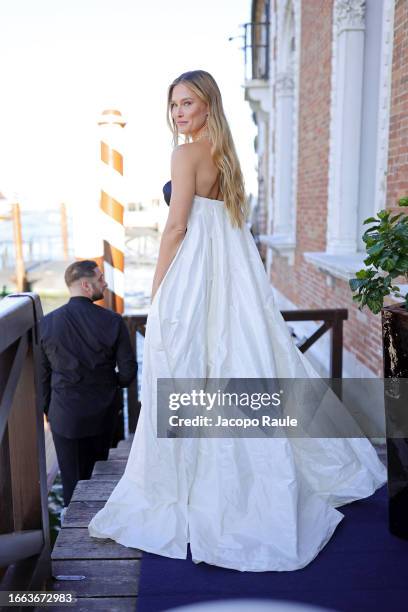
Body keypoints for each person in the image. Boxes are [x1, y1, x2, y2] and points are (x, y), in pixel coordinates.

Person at [88, 70, 386, 572]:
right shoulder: (227, 159)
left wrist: (158, 292)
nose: (179, 113)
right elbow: (225, 231)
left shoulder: (184, 155)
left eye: (188, 103)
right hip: (226, 280)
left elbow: (178, 226)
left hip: (192, 279)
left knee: (188, 369)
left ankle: (196, 482)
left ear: (208, 105)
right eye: (174, 105)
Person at [40, 260, 136, 507]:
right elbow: (128, 373)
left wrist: (49, 410)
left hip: (65, 415)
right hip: (103, 413)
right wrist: (107, 383)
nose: (104, 284)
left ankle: (74, 529)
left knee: (72, 482)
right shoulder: (113, 321)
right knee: (99, 478)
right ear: (86, 284)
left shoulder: (47, 323)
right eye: (101, 279)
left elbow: (42, 376)